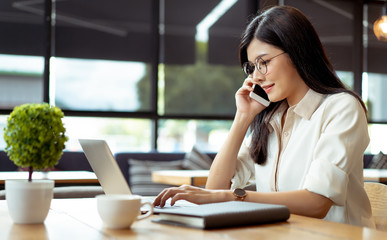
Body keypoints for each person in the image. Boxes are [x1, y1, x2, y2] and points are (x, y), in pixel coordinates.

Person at [153, 5, 374, 227]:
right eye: (251, 67)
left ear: (297, 52)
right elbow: (215, 190)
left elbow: (317, 202)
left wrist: (234, 197)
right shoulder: (271, 118)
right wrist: (242, 117)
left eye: (264, 62)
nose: (256, 76)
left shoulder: (342, 108)